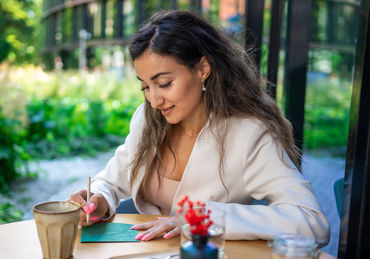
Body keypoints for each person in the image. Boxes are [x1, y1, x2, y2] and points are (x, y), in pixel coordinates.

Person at [70, 10, 330, 245]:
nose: (154, 99)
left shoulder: (248, 134)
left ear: (203, 69)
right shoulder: (147, 119)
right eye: (145, 86)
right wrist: (100, 199)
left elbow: (311, 222)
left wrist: (201, 218)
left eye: (165, 83)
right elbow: (113, 180)